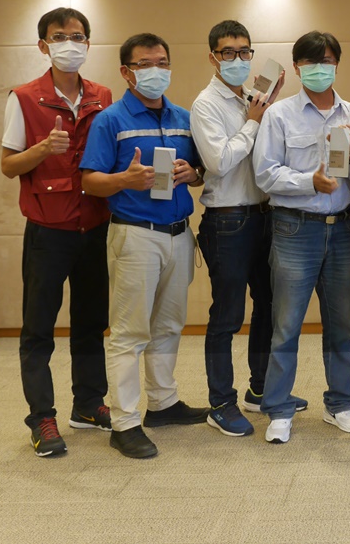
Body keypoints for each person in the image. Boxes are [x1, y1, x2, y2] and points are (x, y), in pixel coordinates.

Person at [80, 33, 207, 459]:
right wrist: (124, 180)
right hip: (135, 235)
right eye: (145, 64)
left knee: (169, 325)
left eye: (163, 62)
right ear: (126, 72)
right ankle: (124, 422)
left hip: (179, 233)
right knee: (130, 331)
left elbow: (200, 171)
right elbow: (90, 181)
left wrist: (193, 173)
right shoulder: (110, 120)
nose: (157, 71)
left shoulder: (184, 117)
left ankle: (164, 403)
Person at [0, 7, 113, 457]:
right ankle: (41, 417)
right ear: (43, 45)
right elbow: (8, 166)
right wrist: (43, 148)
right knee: (39, 328)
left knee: (91, 322)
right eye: (60, 36)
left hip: (95, 225)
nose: (71, 43)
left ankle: (88, 403)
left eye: (78, 36)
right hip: (48, 230)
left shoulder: (102, 95)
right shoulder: (24, 98)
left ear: (89, 43)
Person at [190, 20, 306, 438]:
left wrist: (267, 110)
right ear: (213, 57)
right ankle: (221, 402)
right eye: (228, 52)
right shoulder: (206, 104)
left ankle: (260, 388)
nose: (238, 59)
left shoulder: (253, 99)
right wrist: (254, 121)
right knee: (227, 315)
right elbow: (219, 162)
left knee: (269, 305)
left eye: (244, 52)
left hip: (265, 215)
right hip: (228, 220)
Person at [253, 30, 350, 445]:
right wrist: (309, 182)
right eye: (311, 62)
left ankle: (339, 404)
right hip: (294, 228)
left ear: (338, 65)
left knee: (341, 322)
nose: (320, 69)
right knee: (286, 323)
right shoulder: (279, 114)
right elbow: (264, 174)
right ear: (297, 67)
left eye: (327, 61)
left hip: (342, 228)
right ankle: (278, 408)